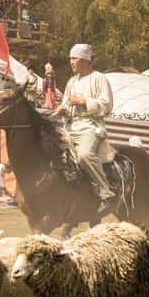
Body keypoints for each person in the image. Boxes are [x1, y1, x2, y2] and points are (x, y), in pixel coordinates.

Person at [54, 43, 116, 217]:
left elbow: (107, 105)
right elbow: (67, 103)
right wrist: (62, 109)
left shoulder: (99, 78)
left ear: (85, 59)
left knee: (84, 155)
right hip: (70, 127)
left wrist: (84, 102)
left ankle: (107, 193)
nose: (71, 62)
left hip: (90, 126)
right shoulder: (71, 81)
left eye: (74, 58)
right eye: (70, 59)